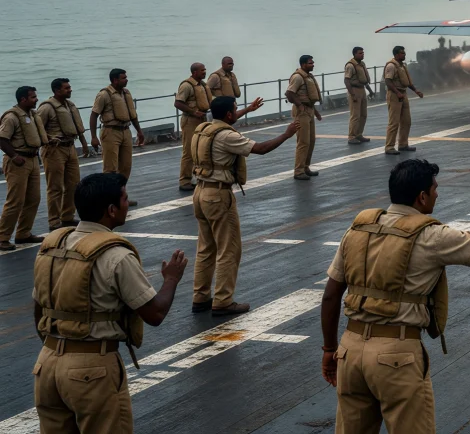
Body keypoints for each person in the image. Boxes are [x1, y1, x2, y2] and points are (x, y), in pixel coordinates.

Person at [320, 160, 470, 434]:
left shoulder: (358, 229)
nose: (437, 194)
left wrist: (329, 350)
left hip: (349, 351)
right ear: (421, 197)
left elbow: (330, 296)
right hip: (396, 354)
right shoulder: (431, 236)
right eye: (434, 189)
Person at [31, 172, 187, 434]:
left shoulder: (52, 247)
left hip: (46, 364)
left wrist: (59, 347)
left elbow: (38, 310)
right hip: (92, 369)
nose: (128, 203)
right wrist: (171, 279)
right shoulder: (116, 255)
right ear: (111, 210)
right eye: (124, 199)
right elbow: (155, 313)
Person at [189, 96, 297, 316]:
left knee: (206, 248)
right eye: (235, 110)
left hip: (199, 191)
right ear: (228, 114)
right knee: (229, 249)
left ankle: (200, 297)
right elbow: (261, 148)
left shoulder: (202, 129)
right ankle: (223, 301)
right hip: (218, 195)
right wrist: (286, 134)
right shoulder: (227, 136)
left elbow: (229, 120)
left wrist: (248, 109)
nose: (236, 113)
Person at [35, 78, 89, 231]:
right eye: (66, 88)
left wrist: (84, 143)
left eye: (69, 87)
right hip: (54, 150)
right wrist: (49, 139)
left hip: (70, 147)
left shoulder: (69, 105)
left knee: (74, 184)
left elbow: (77, 126)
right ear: (57, 90)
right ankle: (53, 220)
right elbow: (37, 128)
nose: (70, 90)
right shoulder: (47, 108)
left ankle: (67, 216)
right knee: (55, 186)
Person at [1, 86, 47, 251]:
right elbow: (2, 139)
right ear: (23, 99)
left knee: (34, 198)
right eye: (33, 97)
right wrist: (14, 156)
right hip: (18, 161)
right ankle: (3, 237)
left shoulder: (33, 115)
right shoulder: (12, 117)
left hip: (33, 159)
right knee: (15, 201)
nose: (36, 99)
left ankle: (23, 233)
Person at [89, 69, 145, 188]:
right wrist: (93, 137)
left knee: (126, 166)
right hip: (110, 132)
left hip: (125, 130)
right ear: (115, 80)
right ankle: (110, 197)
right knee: (110, 168)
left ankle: (121, 195)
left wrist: (139, 131)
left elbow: (132, 115)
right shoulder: (104, 95)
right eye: (123, 78)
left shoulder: (126, 93)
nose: (126, 80)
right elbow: (94, 115)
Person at [174, 63, 211, 192]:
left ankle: (196, 177)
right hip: (190, 121)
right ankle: (184, 180)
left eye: (205, 70)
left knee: (199, 150)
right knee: (189, 151)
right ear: (194, 72)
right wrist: (193, 112)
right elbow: (178, 103)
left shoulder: (202, 85)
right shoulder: (186, 85)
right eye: (202, 70)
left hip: (202, 120)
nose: (204, 72)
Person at [285, 55, 323, 180]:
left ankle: (306, 167)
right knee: (303, 142)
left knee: (311, 141)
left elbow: (309, 96)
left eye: (313, 62)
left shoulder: (309, 76)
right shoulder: (297, 77)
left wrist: (315, 112)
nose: (313, 64)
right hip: (302, 112)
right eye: (310, 63)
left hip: (309, 110)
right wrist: (299, 105)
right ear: (303, 64)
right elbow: (289, 93)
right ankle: (299, 171)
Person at [382, 46, 423, 156]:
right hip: (395, 95)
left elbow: (407, 82)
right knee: (394, 122)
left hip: (403, 94)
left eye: (404, 53)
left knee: (406, 121)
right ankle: (389, 147)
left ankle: (403, 144)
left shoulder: (402, 66)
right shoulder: (391, 66)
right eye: (401, 53)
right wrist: (397, 92)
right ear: (396, 54)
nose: (404, 55)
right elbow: (388, 81)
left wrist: (416, 91)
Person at [344, 47, 372, 145]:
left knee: (363, 114)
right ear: (355, 54)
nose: (362, 54)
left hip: (362, 90)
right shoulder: (350, 66)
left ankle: (359, 134)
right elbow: (347, 81)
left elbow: (363, 79)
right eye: (360, 53)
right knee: (355, 116)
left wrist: (370, 91)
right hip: (354, 90)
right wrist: (352, 94)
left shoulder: (362, 64)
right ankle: (351, 136)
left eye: (363, 53)